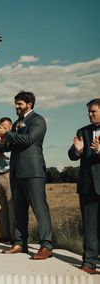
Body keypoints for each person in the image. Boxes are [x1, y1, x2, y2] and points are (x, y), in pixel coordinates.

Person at [0, 91, 54, 259]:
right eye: (16, 104)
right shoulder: (18, 122)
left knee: (40, 210)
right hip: (16, 172)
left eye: (19, 104)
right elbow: (10, 146)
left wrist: (6, 134)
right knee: (19, 210)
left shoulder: (37, 120)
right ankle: (20, 243)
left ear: (29, 104)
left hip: (33, 172)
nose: (16, 107)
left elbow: (28, 139)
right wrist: (2, 141)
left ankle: (46, 246)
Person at [68, 98, 100, 274]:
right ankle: (89, 263)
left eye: (93, 111)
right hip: (88, 186)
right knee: (89, 227)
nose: (90, 114)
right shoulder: (83, 131)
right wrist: (78, 150)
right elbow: (72, 155)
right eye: (89, 112)